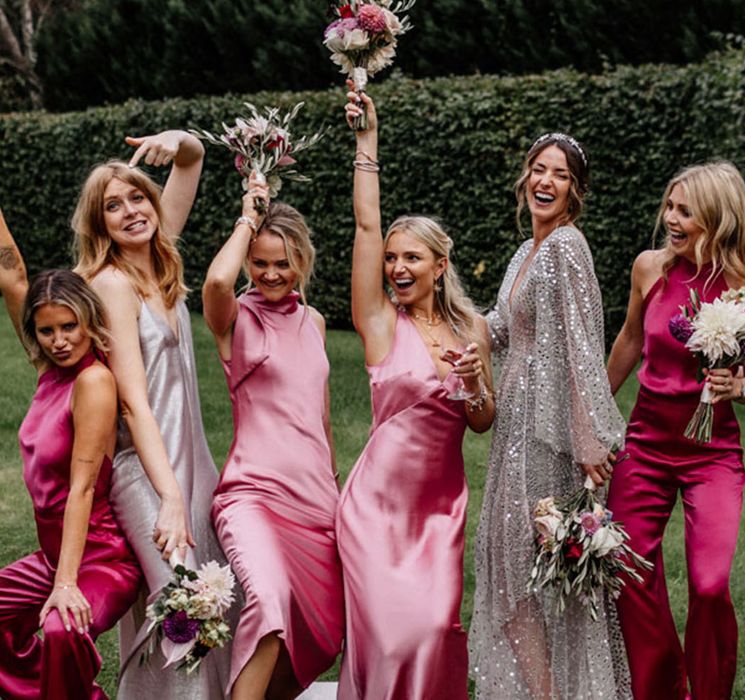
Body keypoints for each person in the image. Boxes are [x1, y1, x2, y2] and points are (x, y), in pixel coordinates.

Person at [338, 90, 495, 699]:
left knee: (433, 630)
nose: (397, 266)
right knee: (388, 640)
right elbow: (366, 225)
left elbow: (481, 421)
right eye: (393, 258)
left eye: (412, 258)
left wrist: (478, 380)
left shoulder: (472, 330)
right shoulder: (379, 321)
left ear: (439, 263)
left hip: (439, 511)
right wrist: (366, 143)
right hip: (376, 509)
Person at [72, 132, 234, 698]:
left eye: (137, 197)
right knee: (181, 610)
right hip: (145, 470)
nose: (131, 211)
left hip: (191, 463)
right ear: (100, 225)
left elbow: (193, 160)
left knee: (206, 614)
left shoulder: (159, 263)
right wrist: (166, 496)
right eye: (112, 206)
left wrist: (181, 141)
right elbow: (133, 402)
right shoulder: (112, 284)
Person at [469, 133, 631, 699]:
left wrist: (589, 442)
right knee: (513, 571)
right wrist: (437, 308)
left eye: (559, 175)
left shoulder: (567, 246)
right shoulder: (526, 251)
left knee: (537, 571)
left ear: (575, 190)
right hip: (512, 425)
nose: (544, 181)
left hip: (547, 435)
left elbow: (584, 347)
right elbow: (500, 328)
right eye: (538, 169)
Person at [605, 161, 745, 700]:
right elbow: (630, 340)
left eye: (685, 211)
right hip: (646, 446)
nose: (670, 219)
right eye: (670, 206)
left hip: (713, 454)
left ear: (718, 218)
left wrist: (735, 389)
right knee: (628, 570)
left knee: (710, 584)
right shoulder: (649, 268)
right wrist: (593, 409)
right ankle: (663, 688)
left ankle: (710, 691)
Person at [202, 174, 344, 699]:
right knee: (267, 598)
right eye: (259, 263)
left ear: (301, 261)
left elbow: (321, 417)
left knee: (327, 632)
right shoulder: (236, 319)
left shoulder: (316, 322)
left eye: (282, 263)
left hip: (315, 501)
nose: (270, 274)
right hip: (253, 494)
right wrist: (248, 215)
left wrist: (334, 486)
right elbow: (216, 284)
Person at [0, 208, 141, 699]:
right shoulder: (49, 371)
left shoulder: (94, 381)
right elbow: (12, 272)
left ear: (89, 322)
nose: (60, 341)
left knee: (64, 628)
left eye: (70, 327)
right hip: (54, 553)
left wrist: (66, 584)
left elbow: (81, 488)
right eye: (47, 331)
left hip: (101, 558)